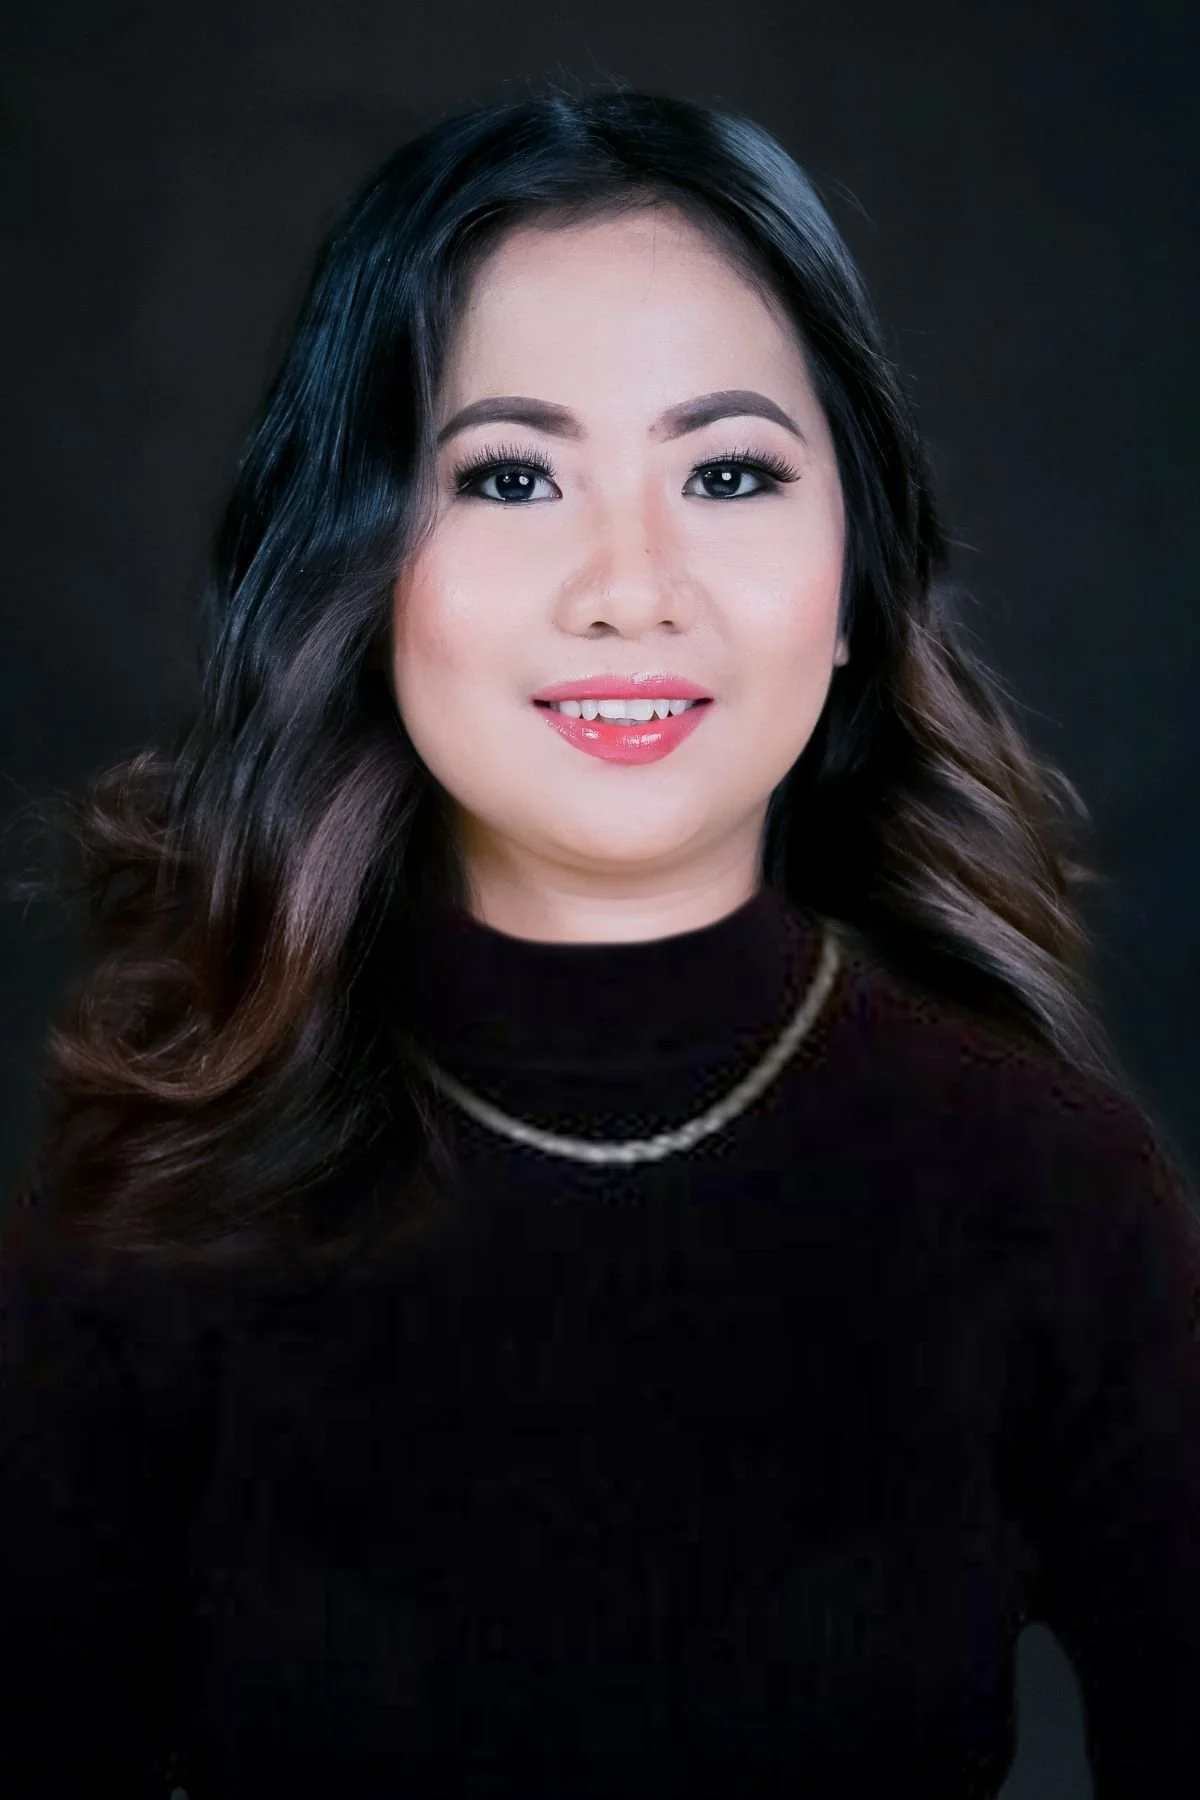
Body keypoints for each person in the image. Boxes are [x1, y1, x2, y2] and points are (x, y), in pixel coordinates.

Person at [1, 85, 1197, 1800]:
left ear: (855, 578)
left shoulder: (1056, 1193)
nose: (629, 586)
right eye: (509, 474)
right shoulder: (158, 1192)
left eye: (726, 472)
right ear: (365, 569)